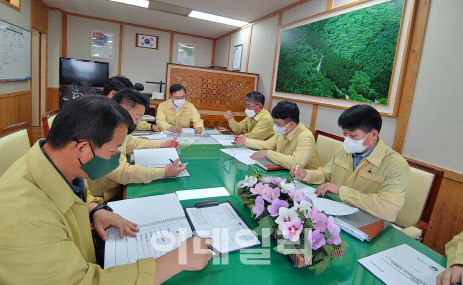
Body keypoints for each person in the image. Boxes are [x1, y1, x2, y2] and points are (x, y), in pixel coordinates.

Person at [0, 95, 212, 284]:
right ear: (82, 148)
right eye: (113, 150)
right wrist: (175, 261)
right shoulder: (27, 219)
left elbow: (75, 191)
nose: (116, 156)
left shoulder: (51, 160)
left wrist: (94, 210)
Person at [290, 104, 410, 222]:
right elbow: (326, 174)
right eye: (345, 134)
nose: (347, 140)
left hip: (368, 222)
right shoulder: (345, 150)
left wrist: (341, 191)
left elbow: (387, 207)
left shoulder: (396, 165)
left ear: (373, 134)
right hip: (338, 212)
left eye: (353, 135)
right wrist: (306, 174)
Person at [88, 88, 184, 202]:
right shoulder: (101, 134)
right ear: (121, 110)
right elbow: (122, 172)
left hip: (113, 190)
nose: (138, 123)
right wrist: (164, 172)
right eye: (137, 117)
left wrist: (162, 144)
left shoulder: (117, 128)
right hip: (99, 200)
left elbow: (132, 143)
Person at [235, 100, 320, 170]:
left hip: (305, 181)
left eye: (277, 123)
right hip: (284, 171)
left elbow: (296, 163)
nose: (275, 126)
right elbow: (267, 144)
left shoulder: (305, 136)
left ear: (290, 124)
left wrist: (268, 154)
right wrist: (246, 141)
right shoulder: (284, 131)